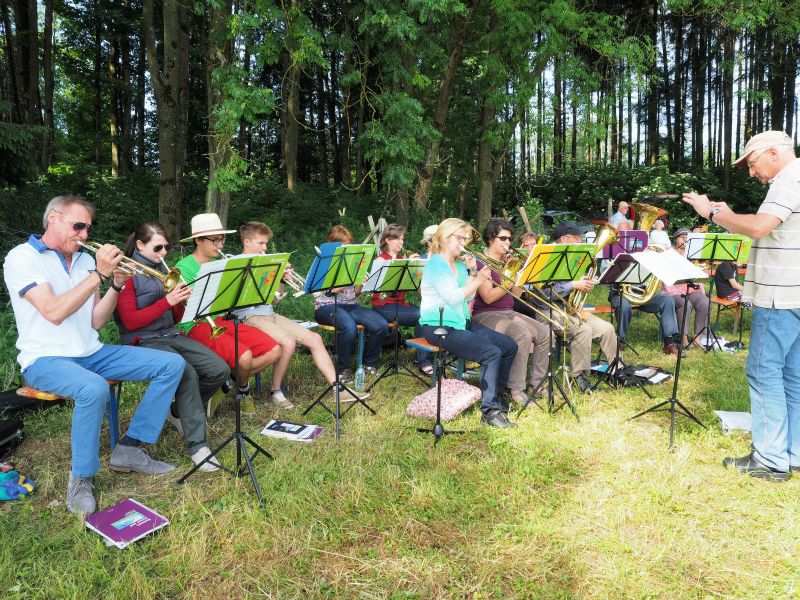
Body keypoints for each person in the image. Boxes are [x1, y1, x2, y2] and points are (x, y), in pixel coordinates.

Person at [3, 196, 185, 515]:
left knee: (171, 364)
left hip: (91, 350)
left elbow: (96, 320)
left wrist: (115, 284)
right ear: (54, 218)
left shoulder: (85, 261)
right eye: (78, 226)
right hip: (44, 359)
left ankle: (129, 449)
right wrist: (99, 275)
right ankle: (81, 478)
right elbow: (53, 312)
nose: (85, 235)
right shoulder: (22, 257)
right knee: (94, 388)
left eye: (88, 228)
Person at [684, 130, 800, 482]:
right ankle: (791, 453)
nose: (751, 172)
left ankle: (768, 459)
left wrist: (714, 213)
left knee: (763, 372)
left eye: (752, 163)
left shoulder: (786, 181)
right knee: (792, 377)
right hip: (796, 295)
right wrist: (729, 212)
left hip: (777, 296)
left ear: (773, 153)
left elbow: (761, 227)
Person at [114, 221, 231, 472]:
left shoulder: (165, 271)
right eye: (158, 248)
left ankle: (178, 410)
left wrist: (181, 303)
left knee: (219, 369)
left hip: (169, 334)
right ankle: (198, 446)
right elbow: (130, 322)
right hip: (142, 341)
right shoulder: (127, 274)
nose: (164, 253)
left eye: (166, 247)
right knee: (186, 372)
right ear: (139, 245)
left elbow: (174, 319)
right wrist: (167, 302)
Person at [232, 221, 367, 404]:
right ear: (246, 242)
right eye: (261, 243)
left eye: (265, 243)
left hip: (270, 314)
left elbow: (275, 298)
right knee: (288, 342)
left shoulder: (267, 263)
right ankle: (275, 391)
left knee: (315, 339)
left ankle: (337, 388)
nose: (265, 248)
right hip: (248, 316)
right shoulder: (234, 264)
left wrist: (281, 280)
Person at [176, 213, 283, 417]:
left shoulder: (225, 263)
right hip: (196, 325)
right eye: (215, 240)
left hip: (222, 321)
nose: (220, 245)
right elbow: (184, 310)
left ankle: (230, 381)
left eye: (221, 239)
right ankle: (243, 391)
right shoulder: (184, 268)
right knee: (244, 357)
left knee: (274, 349)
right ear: (198, 240)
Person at [419, 218, 518, 428]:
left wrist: (473, 274)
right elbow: (452, 297)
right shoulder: (437, 263)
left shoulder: (458, 265)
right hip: (439, 325)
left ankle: (497, 396)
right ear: (446, 238)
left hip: (460, 322)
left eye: (465, 239)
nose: (464, 243)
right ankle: (489, 411)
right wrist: (479, 280)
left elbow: (465, 299)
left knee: (509, 346)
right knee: (492, 352)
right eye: (460, 238)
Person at [519, 220, 618, 392]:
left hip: (571, 308)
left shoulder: (576, 257)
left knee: (607, 328)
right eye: (577, 237)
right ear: (564, 239)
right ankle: (579, 376)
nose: (581, 240)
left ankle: (617, 372)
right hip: (546, 309)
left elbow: (577, 284)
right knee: (583, 330)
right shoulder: (545, 257)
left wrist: (585, 284)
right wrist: (574, 285)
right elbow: (545, 293)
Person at [470, 219, 551, 404]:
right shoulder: (481, 262)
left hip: (508, 311)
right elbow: (488, 297)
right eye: (503, 238)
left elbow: (515, 295)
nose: (508, 243)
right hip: (486, 314)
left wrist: (521, 276)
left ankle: (537, 385)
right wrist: (509, 279)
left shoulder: (507, 263)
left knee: (545, 332)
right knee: (521, 334)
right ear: (491, 238)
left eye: (510, 239)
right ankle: (515, 390)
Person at [313, 225, 389, 384]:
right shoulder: (325, 262)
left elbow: (355, 293)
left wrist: (361, 283)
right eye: (343, 245)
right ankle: (341, 370)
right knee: (349, 326)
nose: (347, 249)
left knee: (381, 325)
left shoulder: (354, 261)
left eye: (348, 245)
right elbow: (327, 291)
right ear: (332, 245)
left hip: (351, 305)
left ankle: (369, 364)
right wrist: (348, 279)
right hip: (326, 306)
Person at [369, 224, 433, 377]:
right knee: (420, 315)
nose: (401, 243)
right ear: (387, 240)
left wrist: (416, 269)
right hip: (382, 305)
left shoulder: (402, 259)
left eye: (402, 239)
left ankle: (422, 358)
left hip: (399, 305)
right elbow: (376, 288)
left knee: (426, 313)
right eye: (397, 239)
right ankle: (422, 362)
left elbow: (413, 286)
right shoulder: (381, 259)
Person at [663, 227, 710, 348]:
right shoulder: (668, 255)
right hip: (673, 291)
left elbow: (697, 275)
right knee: (686, 303)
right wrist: (676, 291)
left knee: (704, 301)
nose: (684, 239)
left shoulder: (693, 255)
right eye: (681, 237)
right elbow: (665, 277)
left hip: (691, 288)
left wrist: (702, 291)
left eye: (687, 237)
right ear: (675, 239)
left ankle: (697, 337)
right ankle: (683, 338)